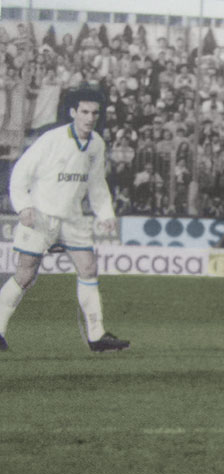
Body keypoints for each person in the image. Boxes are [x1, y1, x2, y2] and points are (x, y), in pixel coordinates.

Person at [0, 87, 129, 352]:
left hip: (72, 219)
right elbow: (20, 173)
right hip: (41, 216)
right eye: (84, 112)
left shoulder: (96, 144)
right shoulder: (51, 139)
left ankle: (97, 336)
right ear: (73, 112)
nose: (90, 118)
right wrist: (23, 206)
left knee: (89, 269)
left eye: (94, 113)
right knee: (25, 275)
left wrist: (106, 213)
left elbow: (96, 183)